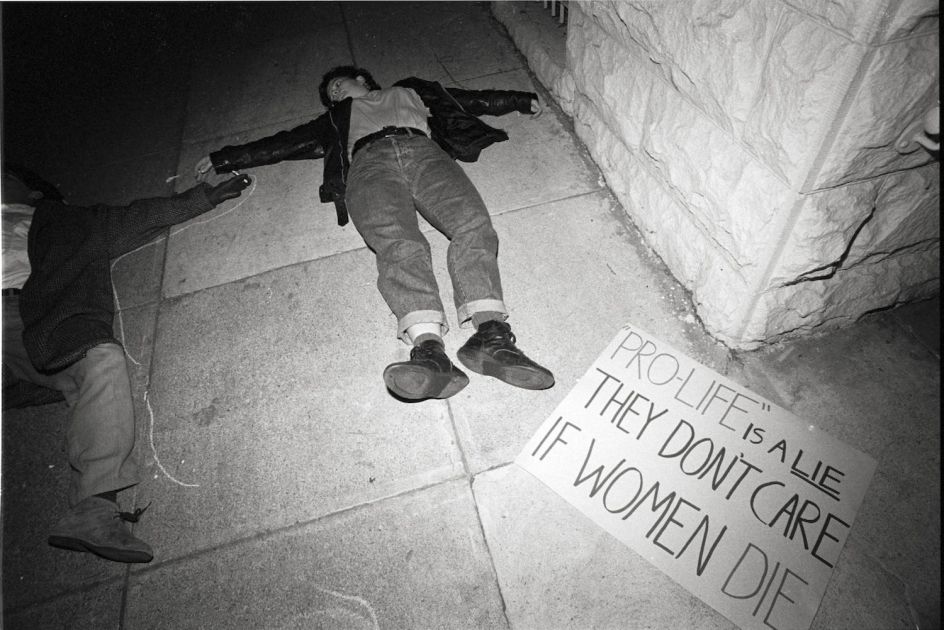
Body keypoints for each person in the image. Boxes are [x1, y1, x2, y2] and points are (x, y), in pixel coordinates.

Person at [195, 65, 554, 400]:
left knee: (473, 224)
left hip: (425, 153)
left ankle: (491, 337)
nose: (333, 93)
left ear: (362, 79)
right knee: (399, 243)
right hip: (368, 166)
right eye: (330, 93)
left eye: (338, 84)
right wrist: (225, 158)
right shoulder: (334, 119)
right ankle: (430, 353)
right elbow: (281, 143)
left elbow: (471, 98)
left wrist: (519, 101)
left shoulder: (410, 90)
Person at [2, 163, 251, 563]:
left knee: (101, 359)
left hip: (22, 319)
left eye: (4, 175)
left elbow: (134, 219)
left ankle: (94, 512)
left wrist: (202, 197)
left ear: (30, 192)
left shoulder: (59, 221)